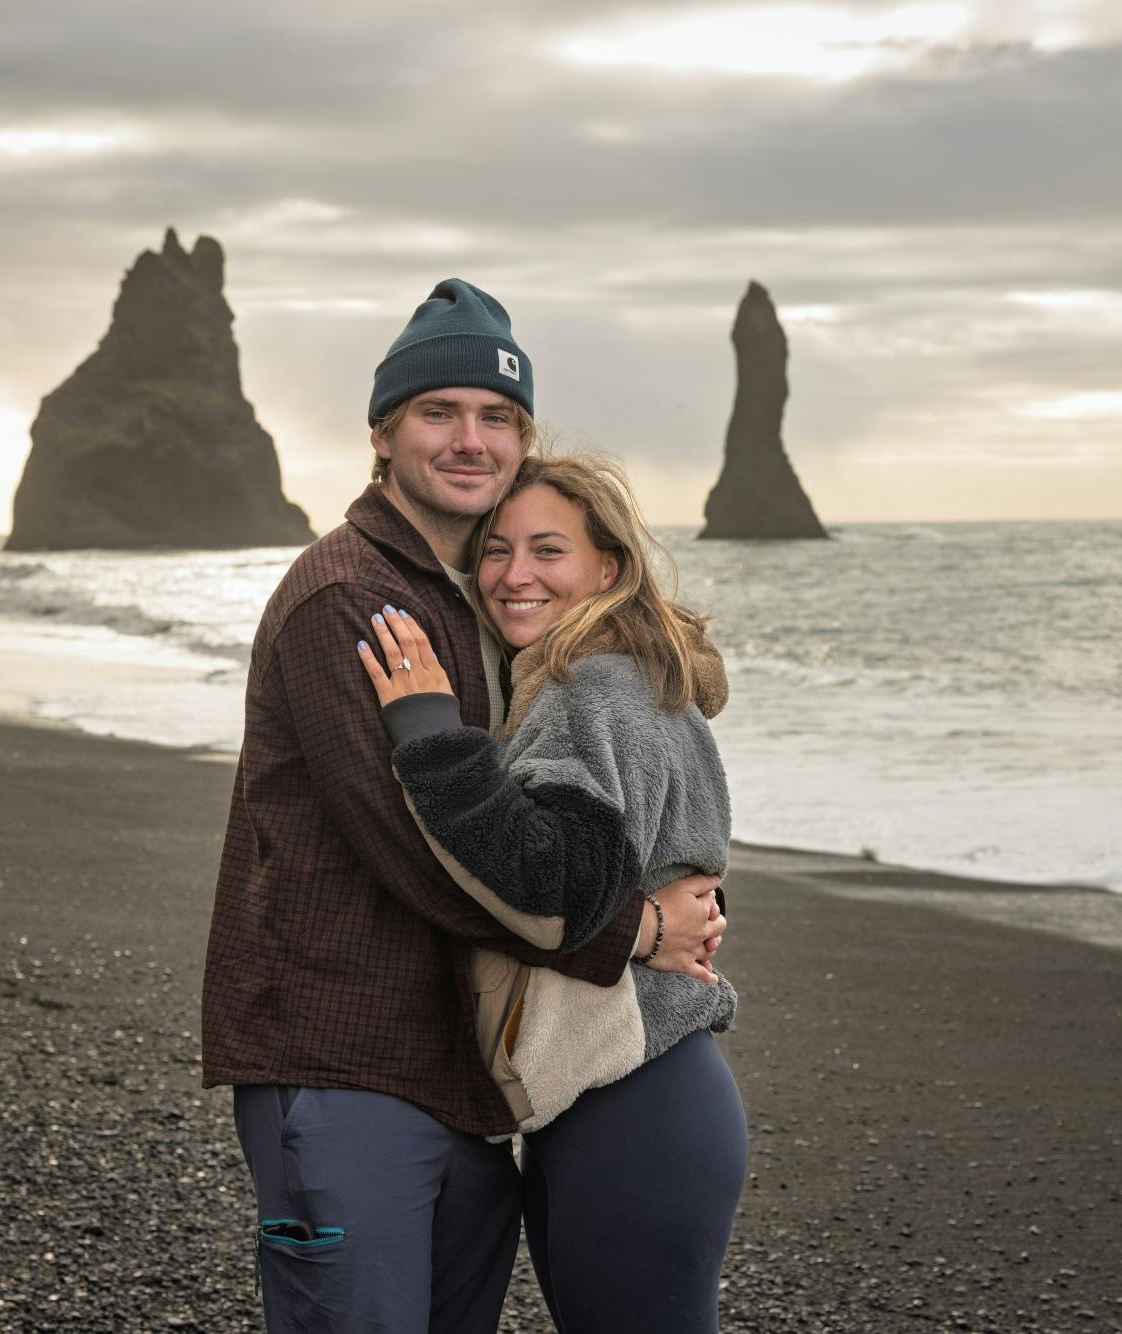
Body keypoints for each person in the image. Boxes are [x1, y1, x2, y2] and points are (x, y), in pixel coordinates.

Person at [199, 279, 725, 1334]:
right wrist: (642, 928)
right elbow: (422, 853)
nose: (469, 439)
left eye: (497, 417)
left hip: (460, 1076)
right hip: (342, 1058)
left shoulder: (481, 612)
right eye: (438, 411)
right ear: (384, 433)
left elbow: (605, 800)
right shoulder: (349, 597)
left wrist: (677, 893)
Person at [356, 451, 748, 1334]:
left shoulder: (593, 685)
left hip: (636, 1100)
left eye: (547, 550)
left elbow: (556, 883)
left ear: (607, 567)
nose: (514, 575)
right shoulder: (629, 678)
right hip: (630, 1092)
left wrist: (429, 733)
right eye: (495, 551)